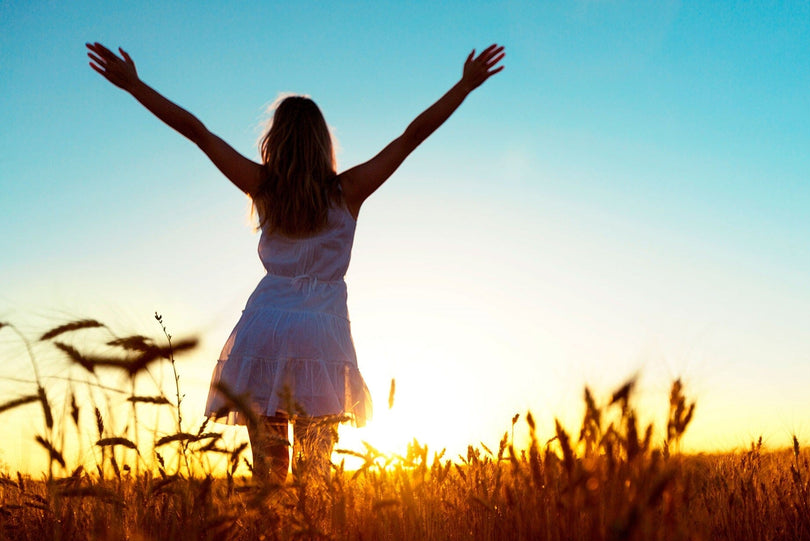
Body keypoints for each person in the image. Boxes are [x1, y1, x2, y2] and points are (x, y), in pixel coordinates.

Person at [86, 41, 506, 482]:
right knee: (315, 479)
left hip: (265, 328)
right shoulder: (348, 191)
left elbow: (199, 133)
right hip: (321, 335)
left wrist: (135, 87)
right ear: (324, 143)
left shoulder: (263, 187)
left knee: (271, 476)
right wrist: (463, 87)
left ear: (276, 141)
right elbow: (410, 138)